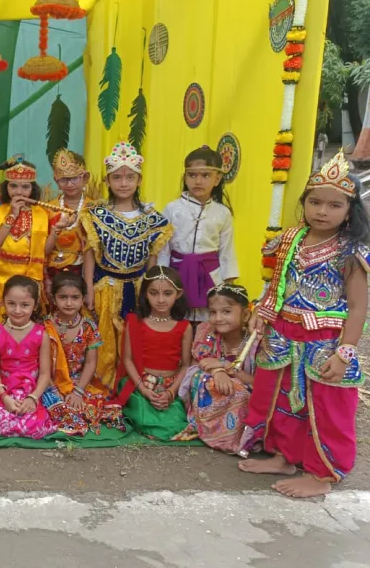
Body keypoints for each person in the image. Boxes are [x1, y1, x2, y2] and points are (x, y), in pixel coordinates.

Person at [239, 152, 369, 498]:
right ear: (304, 202)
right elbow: (276, 284)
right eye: (315, 202)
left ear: (349, 211)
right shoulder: (291, 239)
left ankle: (321, 475)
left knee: (326, 409)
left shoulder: (350, 253)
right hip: (284, 332)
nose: (322, 211)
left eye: (334, 205)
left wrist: (344, 353)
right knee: (280, 399)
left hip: (325, 340)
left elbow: (358, 308)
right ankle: (285, 456)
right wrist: (262, 313)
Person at [82, 141, 172, 389]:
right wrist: (89, 288)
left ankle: (131, 387)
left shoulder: (151, 219)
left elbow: (152, 259)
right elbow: (90, 253)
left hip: (138, 285)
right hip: (106, 288)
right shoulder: (96, 215)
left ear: (139, 180)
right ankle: (103, 387)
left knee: (134, 339)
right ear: (108, 181)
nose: (124, 183)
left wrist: (151, 291)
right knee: (105, 341)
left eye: (130, 177)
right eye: (117, 177)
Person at [0, 275, 56, 439]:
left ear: (35, 306)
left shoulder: (40, 334)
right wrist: (4, 397)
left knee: (35, 424)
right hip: (3, 388)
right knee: (3, 421)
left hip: (30, 390)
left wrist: (33, 398)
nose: (17, 310)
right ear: (3, 303)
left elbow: (44, 374)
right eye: (11, 304)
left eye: (25, 305)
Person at [158, 146, 238, 323]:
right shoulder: (172, 209)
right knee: (177, 319)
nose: (198, 181)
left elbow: (227, 252)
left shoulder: (222, 213)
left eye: (205, 175)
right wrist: (162, 279)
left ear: (217, 179)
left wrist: (227, 288)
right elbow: (163, 249)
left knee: (208, 323)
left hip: (210, 277)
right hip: (177, 274)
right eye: (192, 175)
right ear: (185, 177)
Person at [41, 271, 125, 435]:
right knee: (49, 406)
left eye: (75, 297)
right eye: (63, 297)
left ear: (83, 298)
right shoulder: (44, 326)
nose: (69, 303)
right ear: (53, 298)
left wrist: (78, 392)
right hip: (49, 382)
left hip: (78, 382)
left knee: (92, 405)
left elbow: (90, 363)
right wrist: (54, 390)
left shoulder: (89, 327)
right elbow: (40, 364)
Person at [175, 283, 256, 452]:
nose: (218, 318)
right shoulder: (207, 331)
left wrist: (226, 366)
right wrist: (217, 371)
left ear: (246, 314)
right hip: (214, 388)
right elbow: (200, 363)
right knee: (203, 378)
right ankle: (212, 432)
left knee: (240, 393)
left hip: (246, 388)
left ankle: (237, 438)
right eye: (213, 312)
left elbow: (259, 383)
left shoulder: (255, 341)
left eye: (226, 311)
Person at [0, 157, 62, 323]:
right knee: (5, 320)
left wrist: (55, 232)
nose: (19, 191)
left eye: (25, 187)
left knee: (28, 318)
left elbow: (44, 252)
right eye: (13, 186)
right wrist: (13, 215)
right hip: (5, 274)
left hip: (30, 275)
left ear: (32, 189)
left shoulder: (41, 213)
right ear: (6, 188)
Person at [117, 266, 192, 441]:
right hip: (140, 384)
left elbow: (186, 365)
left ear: (178, 294)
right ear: (145, 294)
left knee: (176, 421)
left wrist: (171, 393)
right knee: (144, 417)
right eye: (153, 293)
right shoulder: (135, 323)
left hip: (171, 386)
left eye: (167, 293)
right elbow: (127, 360)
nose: (160, 299)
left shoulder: (184, 327)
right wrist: (143, 390)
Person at [46, 149, 92, 283]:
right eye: (64, 180)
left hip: (83, 271)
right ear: (56, 180)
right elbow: (41, 250)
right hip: (52, 272)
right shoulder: (48, 208)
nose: (70, 184)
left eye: (75, 178)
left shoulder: (94, 208)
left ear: (85, 177)